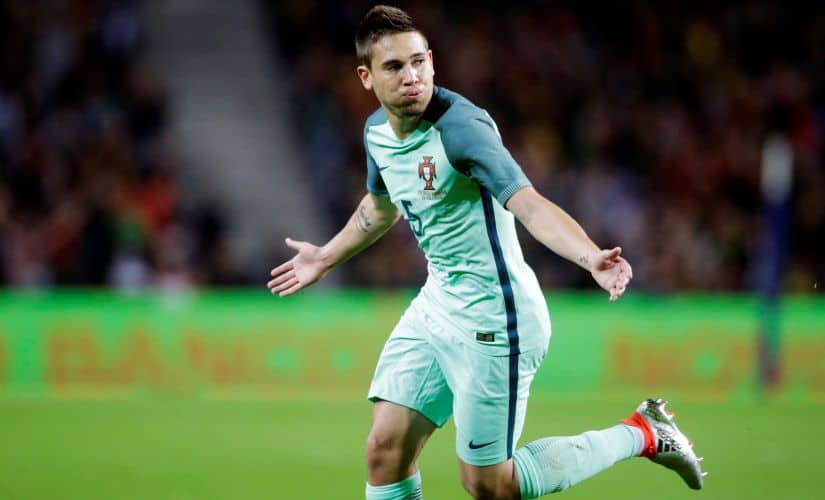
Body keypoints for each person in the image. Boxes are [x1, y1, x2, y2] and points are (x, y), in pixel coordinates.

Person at [268, 5, 706, 499]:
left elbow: (530, 205)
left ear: (432, 60)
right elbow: (382, 205)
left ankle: (644, 433)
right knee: (384, 451)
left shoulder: (462, 130)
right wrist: (325, 256)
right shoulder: (376, 134)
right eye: (394, 67)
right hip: (438, 304)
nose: (411, 76)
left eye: (418, 62)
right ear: (366, 77)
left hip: (496, 318)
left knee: (490, 486)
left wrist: (591, 258)